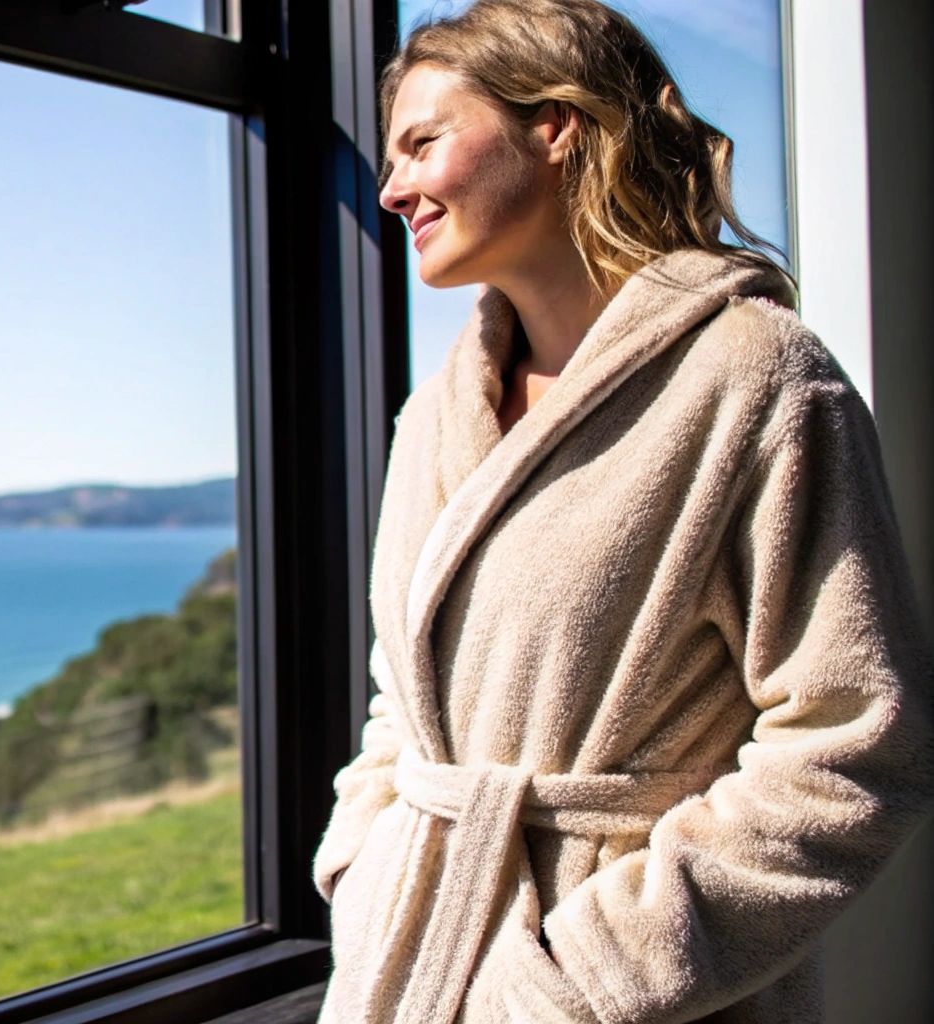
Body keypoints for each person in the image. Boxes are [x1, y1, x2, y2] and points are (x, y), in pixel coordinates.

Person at [310, 1, 934, 1022]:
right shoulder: (434, 412)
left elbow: (857, 740)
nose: (391, 189)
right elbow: (401, 701)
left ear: (555, 126)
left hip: (627, 991)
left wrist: (581, 980)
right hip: (407, 957)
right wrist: (365, 862)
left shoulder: (754, 377)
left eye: (423, 142)